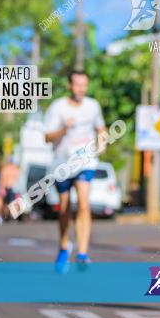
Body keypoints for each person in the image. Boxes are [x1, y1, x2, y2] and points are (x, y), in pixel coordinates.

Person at [44, 70, 107, 272]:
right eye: (77, 84)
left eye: (84, 85)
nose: (81, 88)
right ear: (69, 86)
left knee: (83, 204)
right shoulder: (58, 108)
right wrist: (64, 128)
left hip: (85, 161)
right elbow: (47, 137)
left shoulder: (93, 106)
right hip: (62, 163)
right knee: (64, 209)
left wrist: (103, 141)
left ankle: (82, 253)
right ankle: (64, 246)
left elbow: (101, 128)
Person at [0, 156, 20, 225]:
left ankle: (10, 216)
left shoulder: (11, 169)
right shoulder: (14, 169)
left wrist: (1, 188)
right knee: (5, 203)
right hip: (10, 188)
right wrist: (1, 188)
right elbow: (2, 179)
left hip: (12, 188)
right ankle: (8, 216)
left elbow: (2, 179)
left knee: (9, 203)